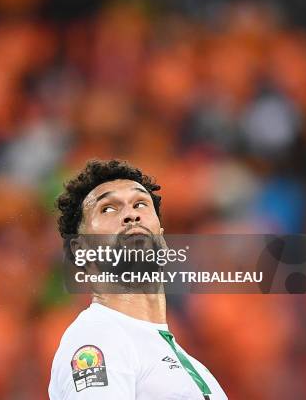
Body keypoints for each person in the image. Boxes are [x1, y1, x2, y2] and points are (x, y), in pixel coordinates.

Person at [48, 160, 227, 399]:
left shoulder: (196, 369)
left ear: (161, 238)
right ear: (81, 249)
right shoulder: (98, 339)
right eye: (108, 209)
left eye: (140, 203)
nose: (131, 214)